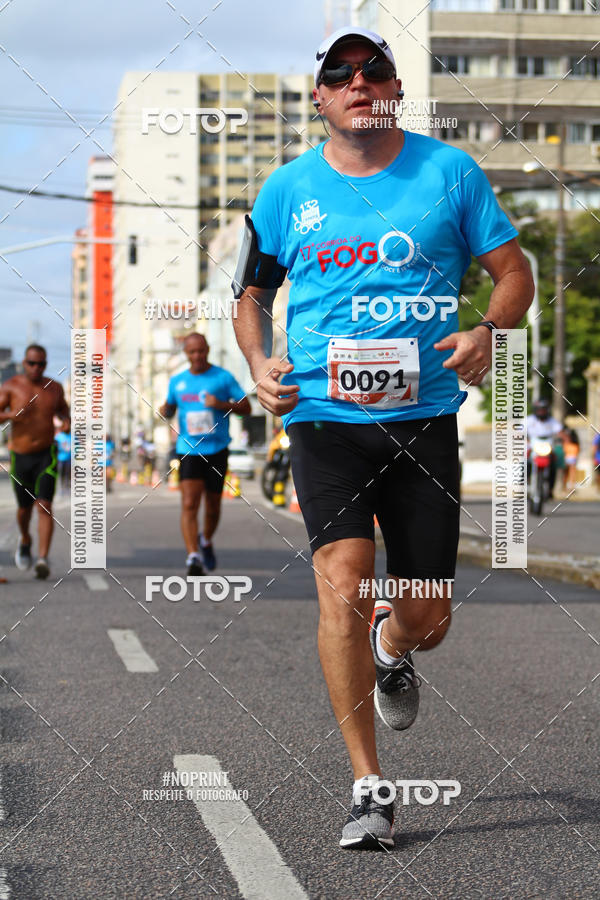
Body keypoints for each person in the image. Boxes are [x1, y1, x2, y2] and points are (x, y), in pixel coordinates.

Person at [232, 25, 534, 849]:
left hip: (424, 416)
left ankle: (392, 644)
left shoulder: (450, 173)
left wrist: (486, 331)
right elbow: (252, 294)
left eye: (376, 71)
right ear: (322, 97)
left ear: (394, 89)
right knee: (344, 576)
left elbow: (516, 274)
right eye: (342, 74)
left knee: (428, 615)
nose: (360, 83)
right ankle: (369, 785)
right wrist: (258, 361)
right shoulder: (286, 190)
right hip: (324, 416)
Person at [159, 333, 250, 575]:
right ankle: (193, 556)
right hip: (188, 449)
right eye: (192, 352)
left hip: (217, 449)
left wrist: (221, 404)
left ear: (207, 349)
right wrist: (165, 409)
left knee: (212, 507)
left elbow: (247, 407)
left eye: (201, 351)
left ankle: (206, 540)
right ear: (186, 354)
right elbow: (168, 407)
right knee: (189, 503)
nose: (197, 356)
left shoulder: (222, 377)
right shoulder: (177, 381)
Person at [0, 344, 69, 579]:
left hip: (46, 455)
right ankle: (26, 539)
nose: (36, 368)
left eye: (41, 364)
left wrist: (66, 421)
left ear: (46, 364)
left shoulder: (54, 388)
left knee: (45, 506)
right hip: (20, 456)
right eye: (31, 363)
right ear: (24, 362)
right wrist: (10, 415)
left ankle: (42, 558)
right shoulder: (11, 386)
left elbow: (64, 412)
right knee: (23, 509)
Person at [526, 399, 562, 498]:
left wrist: (562, 439)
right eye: (540, 410)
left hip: (547, 445)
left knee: (554, 463)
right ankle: (524, 482)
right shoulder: (529, 420)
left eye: (544, 410)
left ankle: (550, 488)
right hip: (532, 444)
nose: (542, 412)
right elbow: (519, 431)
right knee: (524, 460)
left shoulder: (552, 421)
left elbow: (560, 432)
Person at [55, 419, 72, 495]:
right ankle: (62, 488)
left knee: (68, 474)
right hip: (61, 459)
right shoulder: (58, 436)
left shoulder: (72, 436)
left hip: (70, 459)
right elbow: (55, 446)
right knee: (61, 474)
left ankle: (67, 488)